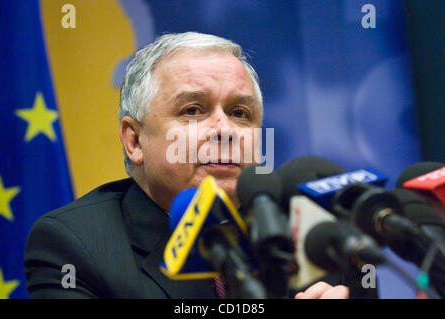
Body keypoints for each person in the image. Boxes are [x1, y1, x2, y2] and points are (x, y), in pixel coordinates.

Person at [24, 32, 349, 299]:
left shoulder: (313, 232)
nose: (224, 130)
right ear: (134, 141)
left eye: (240, 114)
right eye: (193, 110)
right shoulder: (76, 245)